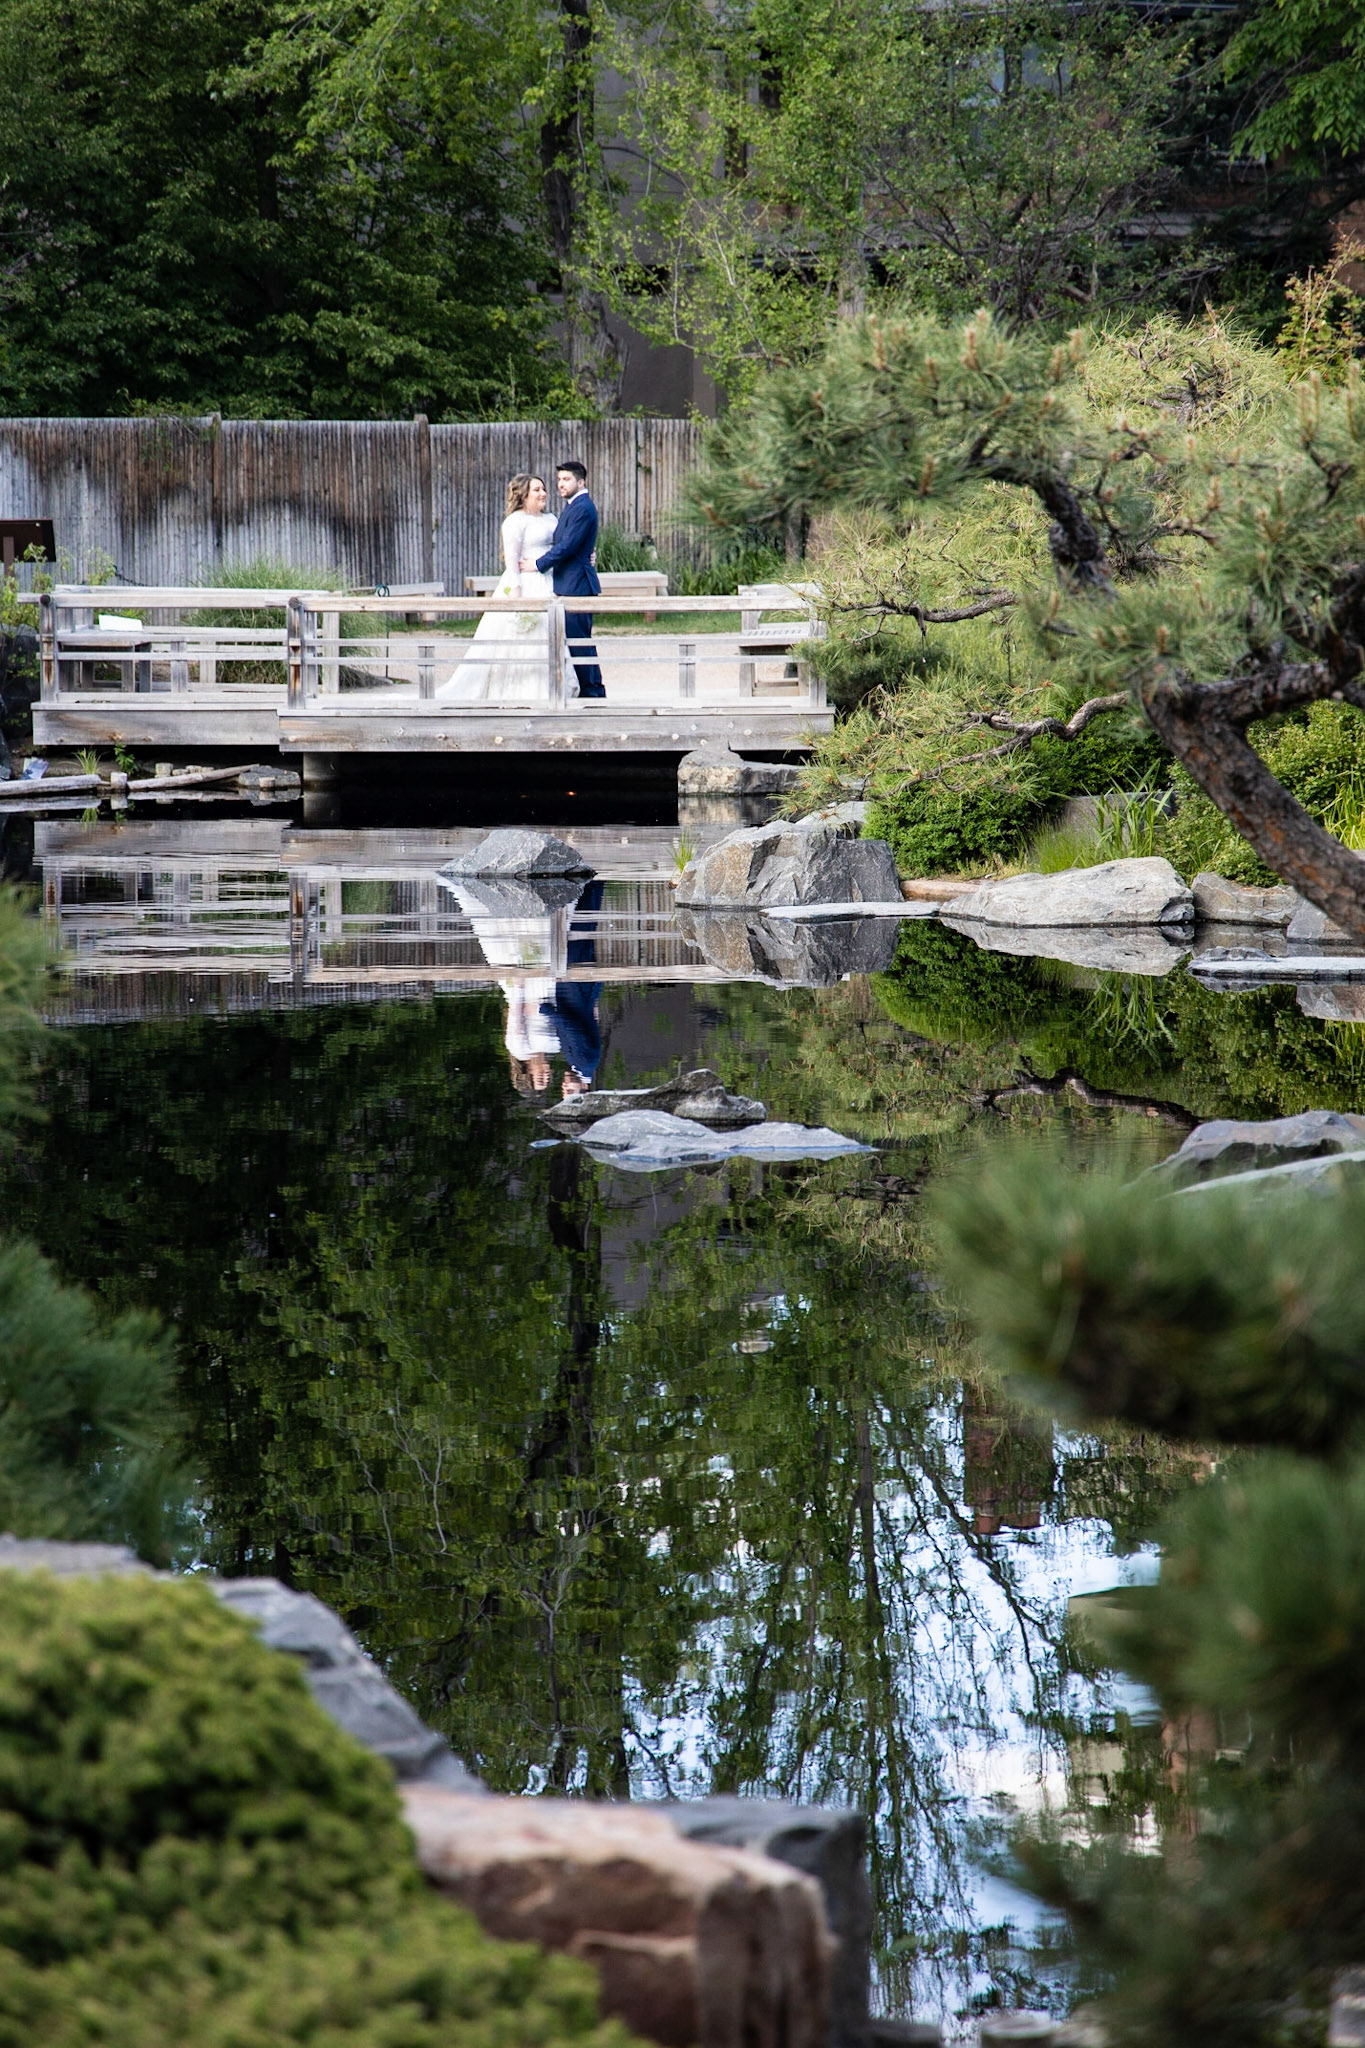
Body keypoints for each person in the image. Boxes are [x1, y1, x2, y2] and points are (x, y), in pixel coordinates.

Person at [441, 473, 576, 701]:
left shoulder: (551, 518)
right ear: (523, 495)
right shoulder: (515, 521)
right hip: (525, 583)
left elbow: (563, 547)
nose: (543, 493)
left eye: (543, 489)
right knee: (524, 636)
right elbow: (511, 560)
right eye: (536, 490)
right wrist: (516, 594)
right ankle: (516, 691)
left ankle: (552, 688)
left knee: (551, 633)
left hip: (549, 582)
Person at [536, 460, 604, 698]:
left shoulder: (583, 507)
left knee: (580, 641)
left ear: (581, 481)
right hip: (569, 583)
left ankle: (594, 692)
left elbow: (568, 545)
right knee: (576, 641)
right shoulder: (573, 506)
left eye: (566, 479)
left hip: (578, 585)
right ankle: (590, 689)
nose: (560, 484)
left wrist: (538, 564)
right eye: (559, 480)